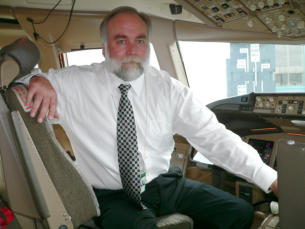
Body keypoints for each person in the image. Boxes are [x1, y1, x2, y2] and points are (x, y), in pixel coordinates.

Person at [25, 6, 277, 229]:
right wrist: (36, 79)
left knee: (238, 213)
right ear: (104, 48)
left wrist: (270, 179)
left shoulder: (167, 88)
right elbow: (16, 85)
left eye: (141, 41)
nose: (132, 51)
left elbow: (214, 137)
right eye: (121, 41)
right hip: (111, 194)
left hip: (163, 183)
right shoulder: (74, 84)